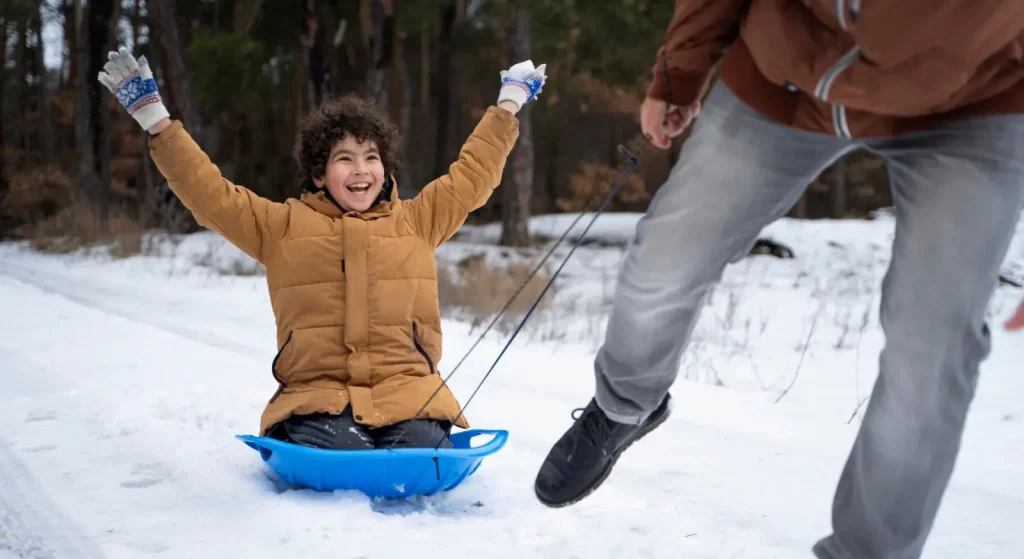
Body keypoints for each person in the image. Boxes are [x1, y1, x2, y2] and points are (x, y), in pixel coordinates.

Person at [534, 2, 1024, 559]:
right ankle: (624, 405)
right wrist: (682, 73)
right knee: (669, 253)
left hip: (970, 103)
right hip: (784, 81)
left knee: (933, 342)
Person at [97, 47, 545, 450]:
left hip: (407, 393)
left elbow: (473, 176)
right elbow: (209, 193)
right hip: (316, 398)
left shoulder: (417, 220)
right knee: (343, 450)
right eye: (344, 158)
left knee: (424, 450)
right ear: (318, 174)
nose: (361, 169)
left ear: (386, 170)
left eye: (372, 157)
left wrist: (508, 103)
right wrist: (156, 119)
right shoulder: (281, 227)